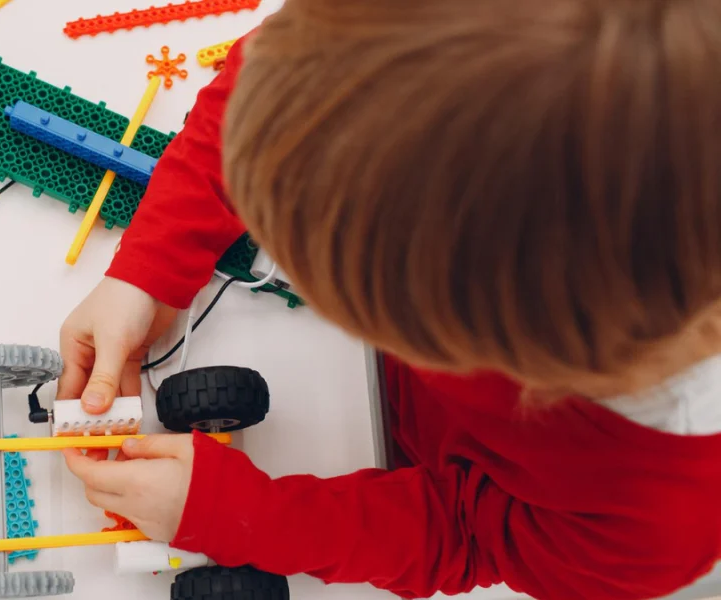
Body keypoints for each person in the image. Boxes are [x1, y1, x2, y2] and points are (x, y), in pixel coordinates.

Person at [55, 0, 721, 598]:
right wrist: (150, 269)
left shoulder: (657, 522)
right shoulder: (424, 34)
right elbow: (280, 80)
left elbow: (465, 535)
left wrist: (254, 520)